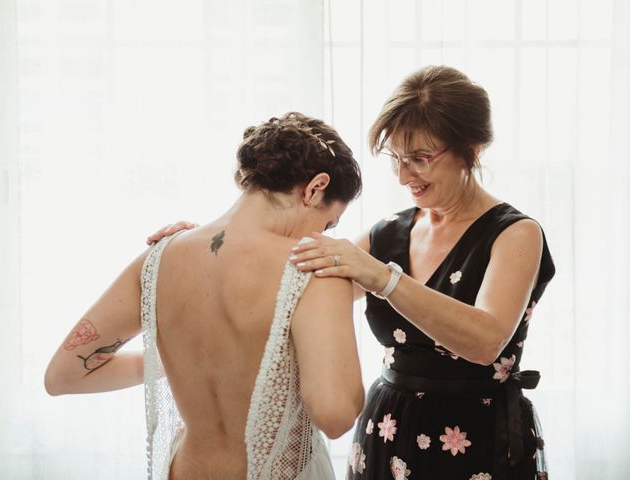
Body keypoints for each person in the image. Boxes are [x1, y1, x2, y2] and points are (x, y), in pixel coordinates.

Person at [153, 66, 555, 480]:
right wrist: (201, 245)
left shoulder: (515, 233)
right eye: (396, 159)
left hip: (478, 437)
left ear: (473, 149)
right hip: (388, 430)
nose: (403, 176)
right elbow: (285, 288)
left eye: (420, 159)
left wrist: (385, 280)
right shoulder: (388, 233)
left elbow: (486, 340)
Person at [45, 112, 365, 480]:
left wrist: (178, 357)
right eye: (328, 223)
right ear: (315, 188)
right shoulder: (317, 267)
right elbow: (336, 415)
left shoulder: (158, 258)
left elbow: (62, 376)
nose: (322, 235)